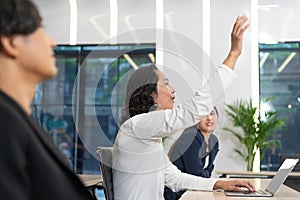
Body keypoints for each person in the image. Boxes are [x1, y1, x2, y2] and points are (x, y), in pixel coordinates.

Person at [113, 15, 255, 200]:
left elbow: (174, 178)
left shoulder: (147, 134)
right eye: (165, 83)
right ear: (150, 93)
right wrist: (233, 54)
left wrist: (220, 183)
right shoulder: (138, 125)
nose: (173, 90)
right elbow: (192, 110)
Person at [0, 0, 95, 199]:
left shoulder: (17, 118)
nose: (52, 42)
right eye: (40, 29)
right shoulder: (5, 122)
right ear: (10, 42)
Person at [164, 107, 220, 199]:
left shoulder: (213, 141)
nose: (209, 118)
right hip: (177, 194)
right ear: (196, 118)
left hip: (195, 190)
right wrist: (205, 175)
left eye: (212, 113)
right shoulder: (191, 136)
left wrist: (204, 174)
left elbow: (209, 170)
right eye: (204, 114)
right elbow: (195, 174)